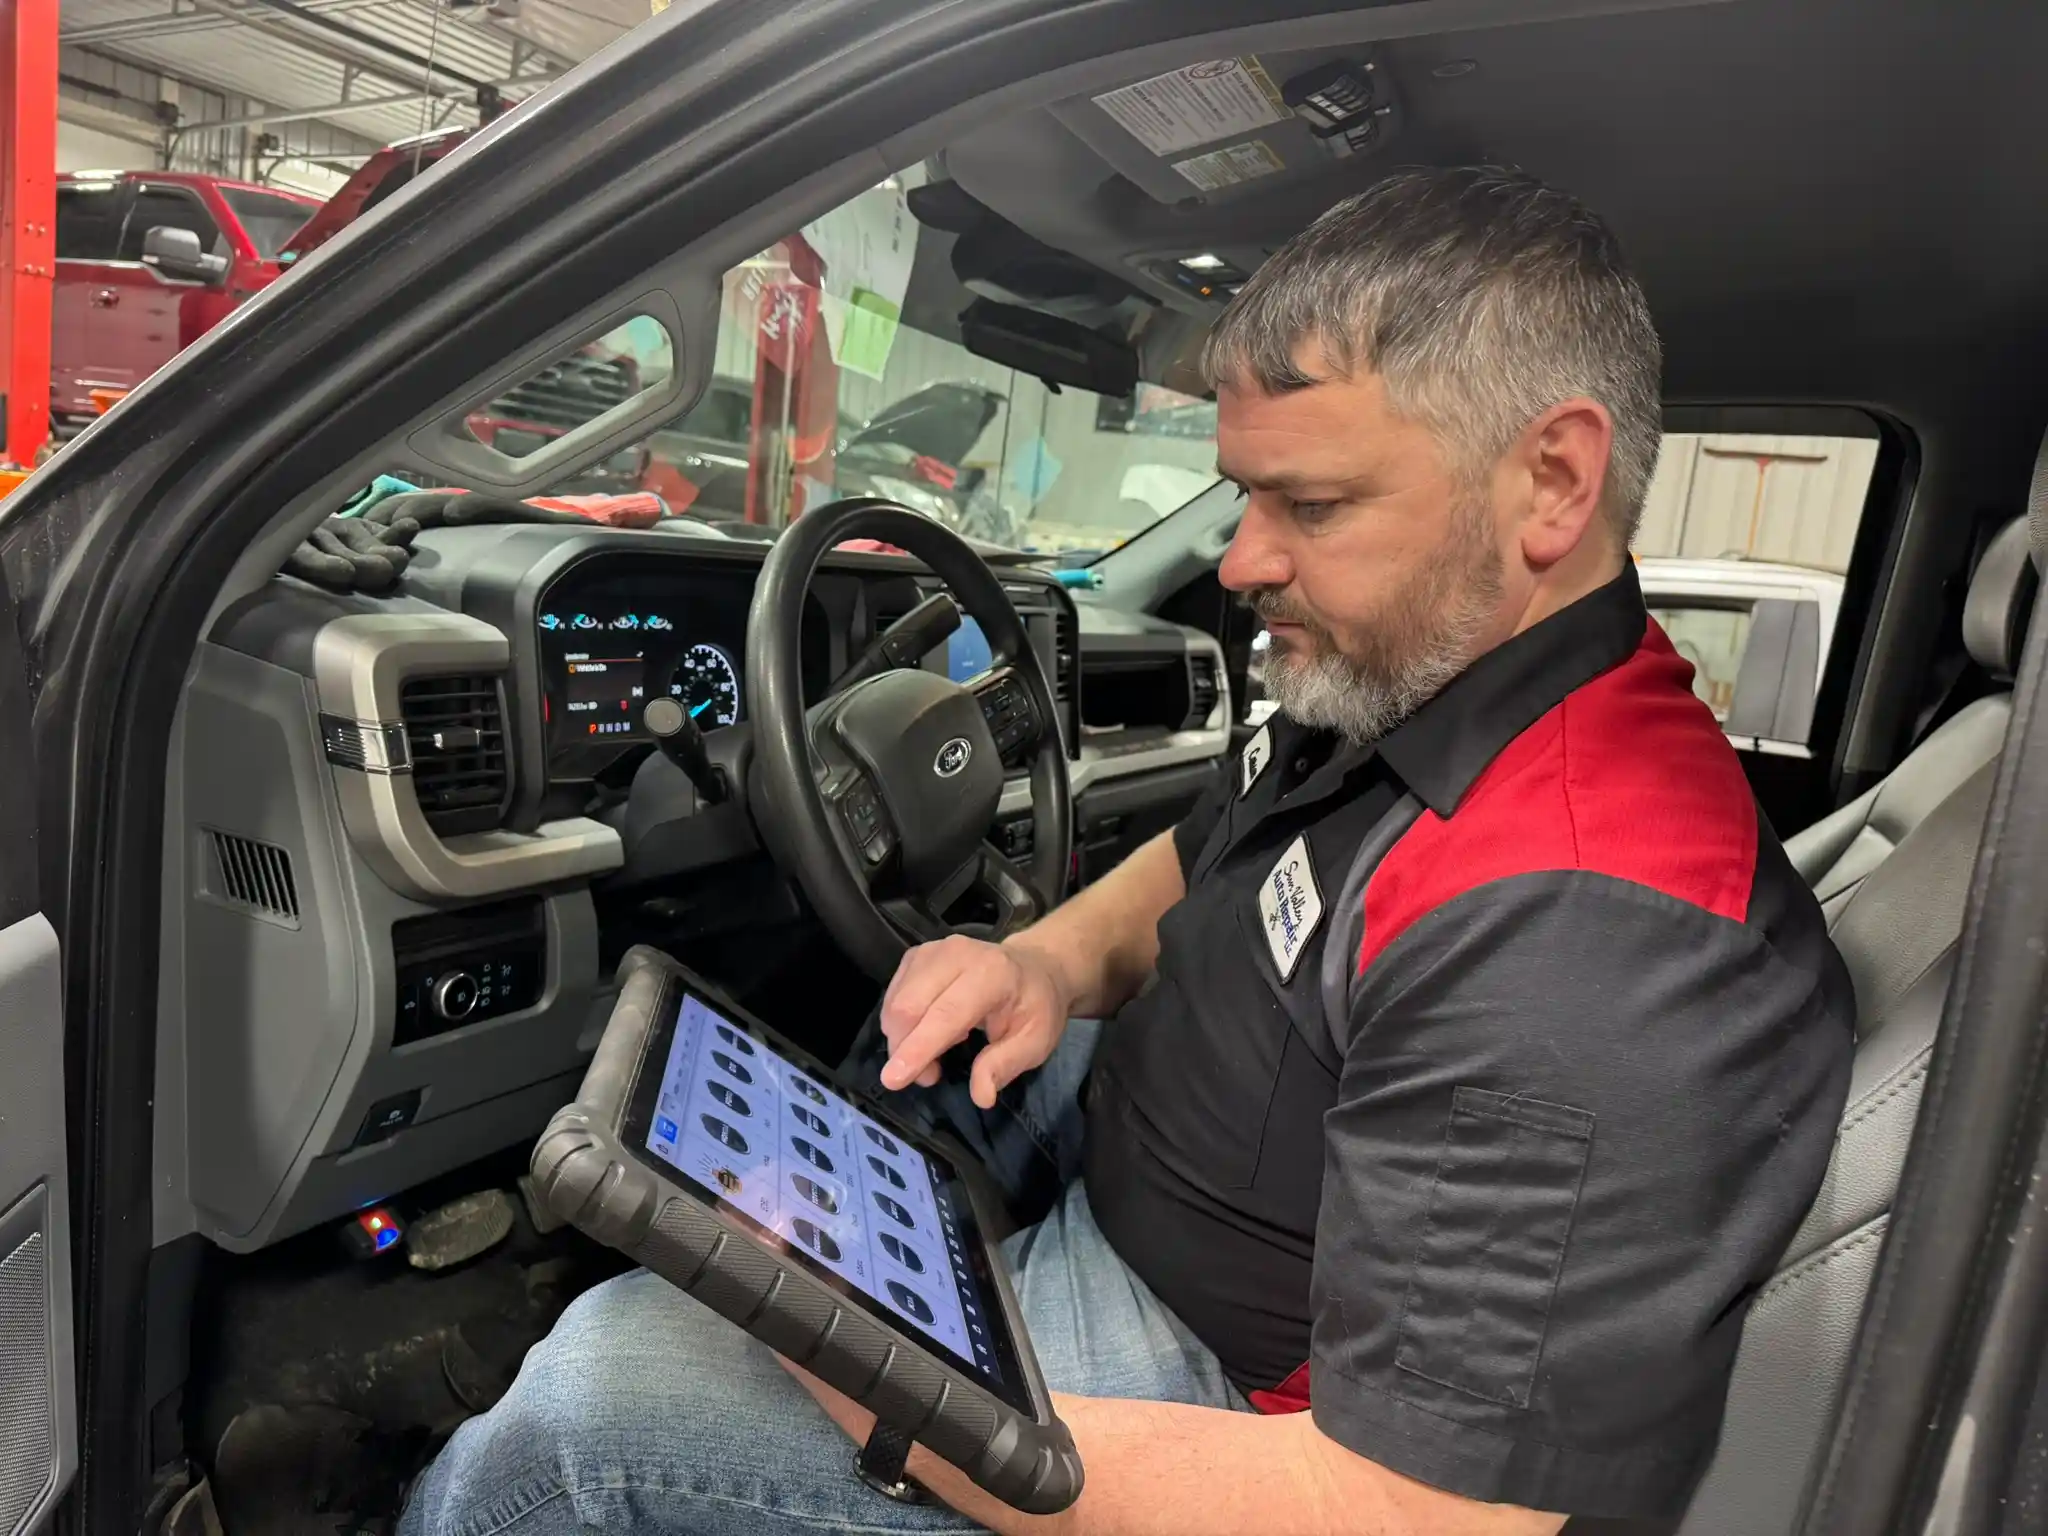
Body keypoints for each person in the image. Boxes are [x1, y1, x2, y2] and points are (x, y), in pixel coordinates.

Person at [395, 166, 1855, 1535]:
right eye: (1243, 494)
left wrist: (869, 1386)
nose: (1239, 561)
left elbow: (1407, 1512)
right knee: (842, 1095)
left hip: (1206, 1380)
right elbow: (1208, 856)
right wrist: (1044, 958)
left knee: (587, 1406)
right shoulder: (1424, 668)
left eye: (1313, 504)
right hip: (1124, 1150)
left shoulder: (1590, 929)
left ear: (1551, 483)